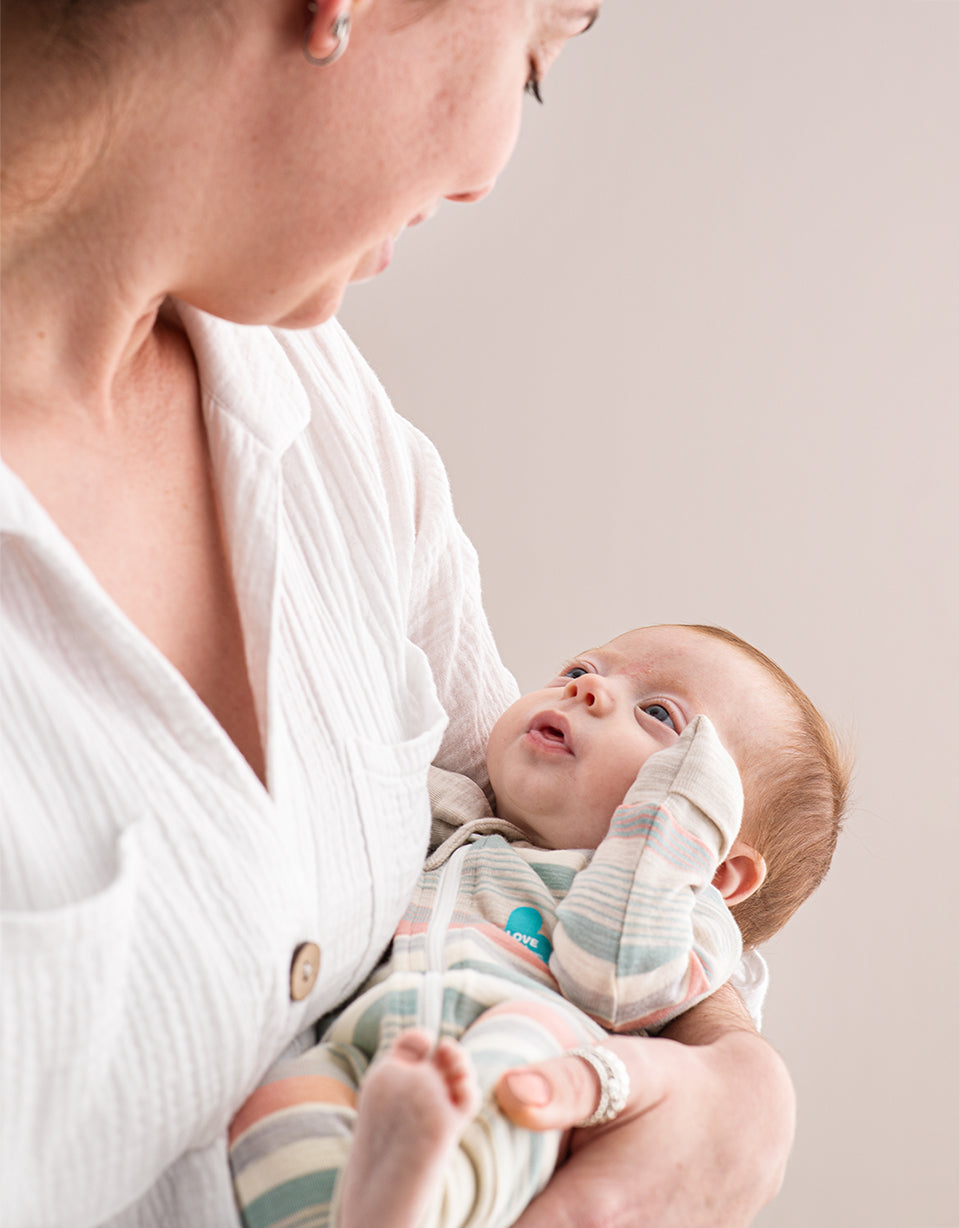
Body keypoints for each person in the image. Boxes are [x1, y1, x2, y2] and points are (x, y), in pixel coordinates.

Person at [1, 2, 796, 1225]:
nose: (485, 174)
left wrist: (740, 1083)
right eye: (529, 70)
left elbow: (562, 824)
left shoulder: (332, 428)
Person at [228, 623, 849, 1228]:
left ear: (713, 867)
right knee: (276, 1102)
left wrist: (660, 841)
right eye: (581, 670)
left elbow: (610, 979)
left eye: (659, 716)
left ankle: (426, 1194)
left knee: (530, 1039)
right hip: (363, 1045)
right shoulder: (461, 818)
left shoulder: (688, 925)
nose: (588, 691)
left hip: (510, 1074)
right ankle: (369, 1208)